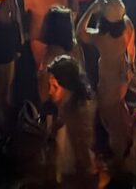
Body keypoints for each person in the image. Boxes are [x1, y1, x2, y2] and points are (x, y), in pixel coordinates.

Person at [76, 0, 136, 160]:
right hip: (123, 77)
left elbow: (80, 31)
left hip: (109, 84)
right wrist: (131, 66)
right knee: (119, 108)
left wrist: (91, 9)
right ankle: (130, 140)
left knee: (112, 122)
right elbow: (132, 50)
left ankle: (120, 158)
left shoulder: (101, 37)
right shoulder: (127, 26)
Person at [46, 55, 98, 188]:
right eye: (49, 85)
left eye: (55, 87)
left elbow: (82, 156)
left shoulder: (75, 117)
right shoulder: (64, 112)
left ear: (68, 88)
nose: (49, 91)